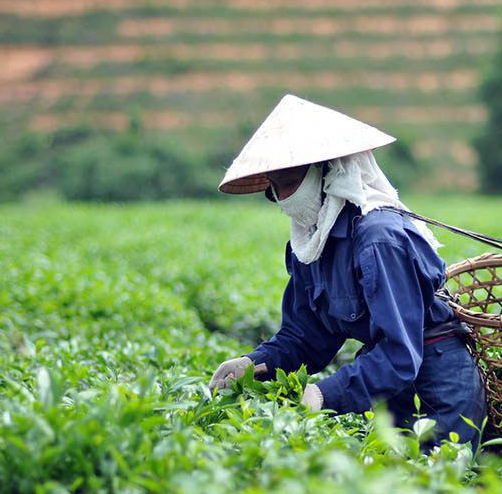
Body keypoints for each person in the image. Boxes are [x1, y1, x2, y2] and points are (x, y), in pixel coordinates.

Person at [208, 94, 487, 450]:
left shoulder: (378, 239)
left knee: (436, 486)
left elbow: (402, 354)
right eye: (273, 188)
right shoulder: (310, 243)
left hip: (438, 390)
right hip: (385, 386)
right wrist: (253, 364)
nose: (281, 197)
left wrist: (324, 394)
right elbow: (307, 336)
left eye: (288, 180)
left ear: (327, 172)